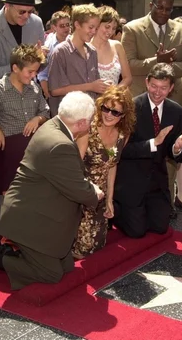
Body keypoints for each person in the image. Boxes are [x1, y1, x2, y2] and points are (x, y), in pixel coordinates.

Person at [0, 92, 104, 289]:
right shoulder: (60, 144)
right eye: (91, 120)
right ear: (82, 122)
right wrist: (95, 194)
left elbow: (68, 177)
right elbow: (78, 189)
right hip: (28, 219)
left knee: (67, 266)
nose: (92, 123)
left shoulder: (53, 125)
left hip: (38, 209)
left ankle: (15, 252)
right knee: (52, 274)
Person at [0, 45, 50, 248]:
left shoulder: (34, 89)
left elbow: (46, 110)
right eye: (30, 71)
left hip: (25, 150)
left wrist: (38, 118)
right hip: (1, 150)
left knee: (21, 194)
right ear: (16, 68)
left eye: (36, 71)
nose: (34, 75)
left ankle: (16, 235)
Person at [113, 63, 182, 238]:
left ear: (171, 88)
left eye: (163, 88)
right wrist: (153, 143)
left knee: (160, 227)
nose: (157, 92)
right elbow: (121, 151)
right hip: (131, 180)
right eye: (154, 86)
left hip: (157, 182)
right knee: (136, 231)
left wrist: (177, 148)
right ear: (147, 83)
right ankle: (116, 207)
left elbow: (173, 153)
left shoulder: (175, 111)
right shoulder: (131, 107)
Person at [72, 86, 135, 259]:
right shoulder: (88, 130)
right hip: (81, 192)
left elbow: (112, 166)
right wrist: (89, 192)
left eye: (115, 112)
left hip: (101, 194)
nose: (108, 114)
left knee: (97, 247)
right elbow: (75, 166)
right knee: (82, 250)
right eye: (105, 108)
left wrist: (109, 200)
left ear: (123, 115)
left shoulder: (123, 134)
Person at [121, 0, 182, 101]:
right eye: (160, 8)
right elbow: (128, 66)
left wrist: (169, 66)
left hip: (172, 99)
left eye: (168, 10)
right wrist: (157, 61)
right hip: (140, 98)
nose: (164, 12)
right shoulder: (132, 29)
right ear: (151, 6)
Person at [48, 3, 105, 114]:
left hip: (90, 115)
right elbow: (55, 90)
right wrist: (91, 86)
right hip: (69, 117)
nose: (94, 32)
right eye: (90, 27)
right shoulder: (61, 52)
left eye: (96, 28)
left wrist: (102, 86)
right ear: (77, 25)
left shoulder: (92, 51)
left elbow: (95, 85)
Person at [90, 5, 133, 87]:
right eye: (107, 27)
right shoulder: (85, 48)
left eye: (113, 28)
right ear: (97, 25)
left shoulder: (117, 46)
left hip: (113, 98)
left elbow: (127, 78)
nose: (110, 32)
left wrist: (114, 93)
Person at [37, 11, 71, 98]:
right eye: (62, 26)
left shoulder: (74, 42)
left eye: (67, 25)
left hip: (73, 90)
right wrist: (47, 93)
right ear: (54, 27)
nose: (66, 28)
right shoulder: (48, 46)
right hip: (55, 92)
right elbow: (42, 74)